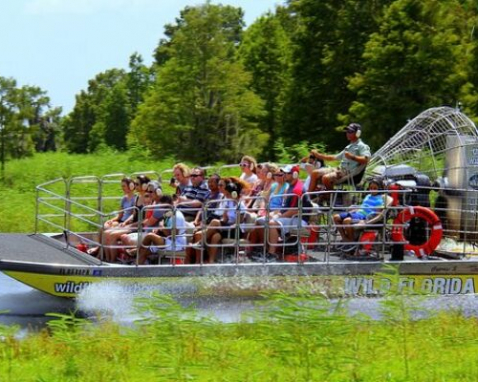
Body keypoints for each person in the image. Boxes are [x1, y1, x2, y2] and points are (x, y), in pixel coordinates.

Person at [248, 165, 306, 261]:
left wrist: (277, 217)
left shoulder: (297, 189)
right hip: (288, 216)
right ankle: (264, 250)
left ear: (295, 175)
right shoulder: (290, 187)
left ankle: (272, 254)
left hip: (298, 219)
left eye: (287, 173)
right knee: (259, 221)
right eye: (284, 173)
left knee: (271, 223)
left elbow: (295, 210)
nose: (284, 175)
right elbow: (284, 207)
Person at [308, 123, 371, 191]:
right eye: (347, 131)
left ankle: (331, 196)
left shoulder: (361, 146)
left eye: (350, 132)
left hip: (347, 173)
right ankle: (308, 198)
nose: (347, 133)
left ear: (358, 133)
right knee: (314, 173)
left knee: (326, 178)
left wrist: (352, 157)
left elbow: (366, 159)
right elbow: (333, 157)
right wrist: (318, 155)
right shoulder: (349, 146)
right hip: (339, 170)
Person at [137, 195, 188, 265]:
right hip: (168, 240)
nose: (163, 209)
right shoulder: (168, 214)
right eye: (162, 207)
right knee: (144, 252)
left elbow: (173, 236)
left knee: (150, 236)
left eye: (165, 207)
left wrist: (162, 228)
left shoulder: (177, 216)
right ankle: (136, 268)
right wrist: (157, 230)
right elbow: (164, 228)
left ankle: (136, 253)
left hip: (176, 243)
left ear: (171, 204)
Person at [332, 178, 385, 246]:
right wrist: (355, 209)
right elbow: (363, 206)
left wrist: (367, 221)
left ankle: (351, 241)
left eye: (375, 188)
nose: (372, 190)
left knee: (346, 221)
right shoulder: (368, 196)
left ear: (379, 188)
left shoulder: (380, 199)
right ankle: (345, 238)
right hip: (358, 213)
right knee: (336, 217)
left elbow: (378, 213)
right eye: (371, 188)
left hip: (364, 216)